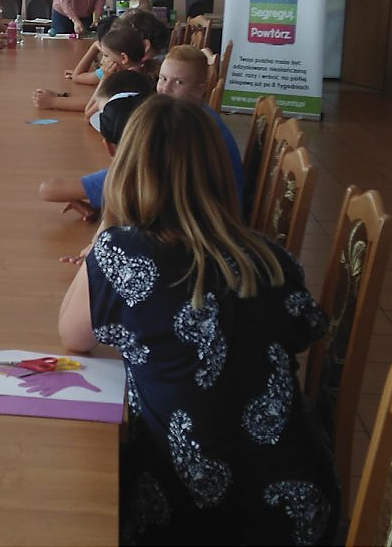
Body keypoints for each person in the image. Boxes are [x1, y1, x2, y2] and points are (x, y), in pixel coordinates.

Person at [57, 94, 339, 546]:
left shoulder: (122, 253)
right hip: (298, 507)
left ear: (126, 171)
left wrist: (109, 222)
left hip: (187, 512)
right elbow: (308, 329)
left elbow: (72, 336)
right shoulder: (271, 259)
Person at [38, 77, 151, 222]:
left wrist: (98, 199)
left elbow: (47, 189)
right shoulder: (175, 167)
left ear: (109, 147)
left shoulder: (122, 178)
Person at [157, 45, 244, 208]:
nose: (165, 89)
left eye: (178, 82)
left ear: (199, 90)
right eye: (163, 78)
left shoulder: (195, 129)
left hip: (211, 214)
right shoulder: (190, 114)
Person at [33, 16, 155, 115]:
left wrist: (53, 102)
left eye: (106, 55)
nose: (102, 61)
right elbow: (95, 100)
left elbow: (89, 111)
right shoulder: (135, 71)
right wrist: (59, 97)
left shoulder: (127, 80)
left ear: (124, 58)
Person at [64, 14, 118, 86]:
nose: (102, 61)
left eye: (105, 55)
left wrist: (94, 46)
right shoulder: (125, 62)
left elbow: (77, 76)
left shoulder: (113, 68)